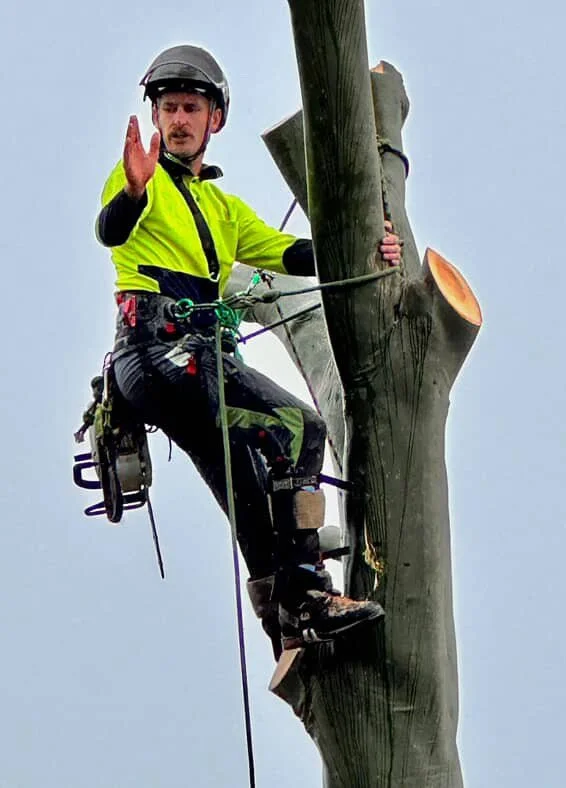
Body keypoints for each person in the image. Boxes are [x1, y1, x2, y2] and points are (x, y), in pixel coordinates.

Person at [96, 45, 400, 657]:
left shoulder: (226, 210)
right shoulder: (141, 178)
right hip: (161, 352)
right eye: (168, 108)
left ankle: (285, 627)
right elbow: (112, 228)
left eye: (190, 108)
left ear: (215, 120)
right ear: (154, 118)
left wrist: (369, 246)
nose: (178, 120)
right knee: (297, 428)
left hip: (192, 363)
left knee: (251, 483)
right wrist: (131, 191)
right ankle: (307, 591)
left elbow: (291, 255)